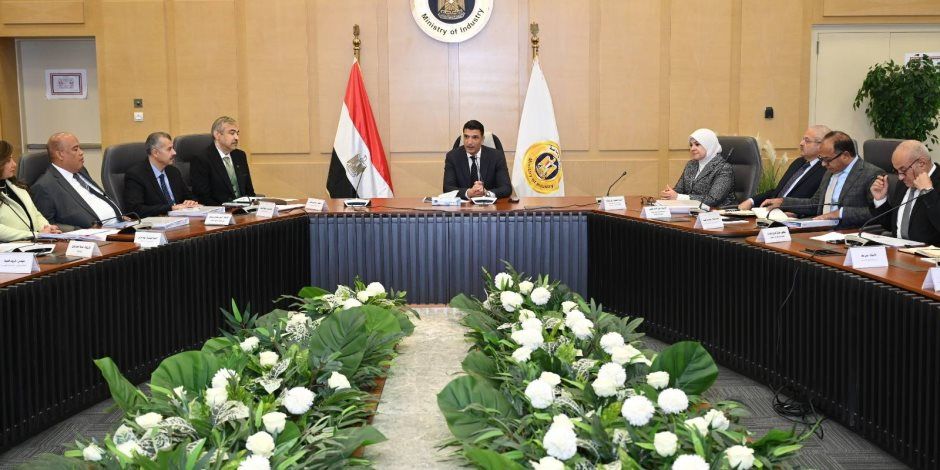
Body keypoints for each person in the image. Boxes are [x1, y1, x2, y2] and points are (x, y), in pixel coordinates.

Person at [762, 131, 883, 229]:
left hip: (847, 232)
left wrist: (839, 213)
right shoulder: (830, 171)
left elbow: (877, 213)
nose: (824, 164)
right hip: (819, 229)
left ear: (845, 156)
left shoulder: (871, 174)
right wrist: (782, 202)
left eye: (827, 160)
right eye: (821, 159)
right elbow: (814, 203)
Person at [32, 132, 123, 231]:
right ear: (60, 154)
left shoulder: (81, 171)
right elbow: (47, 226)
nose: (81, 152)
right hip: (94, 235)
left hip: (120, 225)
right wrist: (84, 230)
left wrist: (118, 215)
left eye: (80, 148)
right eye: (75, 149)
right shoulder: (44, 186)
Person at [738, 125, 830, 214]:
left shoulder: (825, 169)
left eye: (807, 141)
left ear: (821, 145)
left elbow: (815, 203)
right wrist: (751, 201)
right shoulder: (798, 163)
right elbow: (777, 192)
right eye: (802, 139)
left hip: (792, 217)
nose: (801, 143)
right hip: (771, 213)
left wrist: (797, 214)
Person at [869, 140, 940, 244]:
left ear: (922, 163)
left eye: (903, 170)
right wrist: (880, 200)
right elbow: (893, 227)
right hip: (897, 250)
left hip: (928, 252)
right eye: (897, 171)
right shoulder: (904, 183)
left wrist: (928, 193)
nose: (900, 177)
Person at [123, 132, 199, 218]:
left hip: (181, 219)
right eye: (169, 149)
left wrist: (191, 202)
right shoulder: (136, 175)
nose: (174, 152)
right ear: (155, 153)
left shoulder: (173, 171)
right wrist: (170, 208)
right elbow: (135, 209)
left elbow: (190, 196)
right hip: (156, 222)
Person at [0, 140, 61, 241]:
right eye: (8, 160)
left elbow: (36, 214)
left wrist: (47, 228)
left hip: (34, 243)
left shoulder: (16, 186)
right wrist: (36, 235)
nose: (14, 164)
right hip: (11, 248)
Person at [660, 128, 735, 208]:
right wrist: (669, 194)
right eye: (691, 145)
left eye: (697, 144)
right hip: (692, 210)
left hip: (717, 212)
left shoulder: (724, 168)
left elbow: (713, 199)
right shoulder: (691, 164)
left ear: (709, 145)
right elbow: (679, 190)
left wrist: (678, 197)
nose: (692, 149)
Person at [190, 116, 256, 205]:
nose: (236, 138)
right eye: (232, 133)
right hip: (219, 210)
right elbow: (203, 198)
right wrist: (227, 209)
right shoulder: (202, 159)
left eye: (237, 133)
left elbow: (249, 191)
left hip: (244, 209)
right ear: (217, 135)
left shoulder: (240, 155)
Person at [443, 120, 512, 199]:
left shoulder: (496, 156)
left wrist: (486, 193)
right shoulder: (452, 157)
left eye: (475, 137)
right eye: (466, 137)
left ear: (482, 139)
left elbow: (506, 188)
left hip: (489, 205)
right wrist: (468, 193)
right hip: (463, 205)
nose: (469, 142)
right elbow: (447, 188)